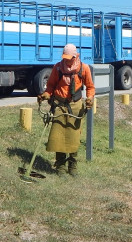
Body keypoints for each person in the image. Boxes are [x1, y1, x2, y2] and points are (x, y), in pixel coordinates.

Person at [37, 43, 95, 176]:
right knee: (59, 138)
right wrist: (46, 94)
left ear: (75, 56)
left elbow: (90, 87)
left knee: (73, 138)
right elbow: (51, 86)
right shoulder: (58, 68)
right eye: (65, 57)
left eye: (69, 58)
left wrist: (90, 99)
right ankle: (60, 167)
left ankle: (72, 166)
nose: (67, 60)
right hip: (59, 106)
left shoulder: (84, 68)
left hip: (76, 106)